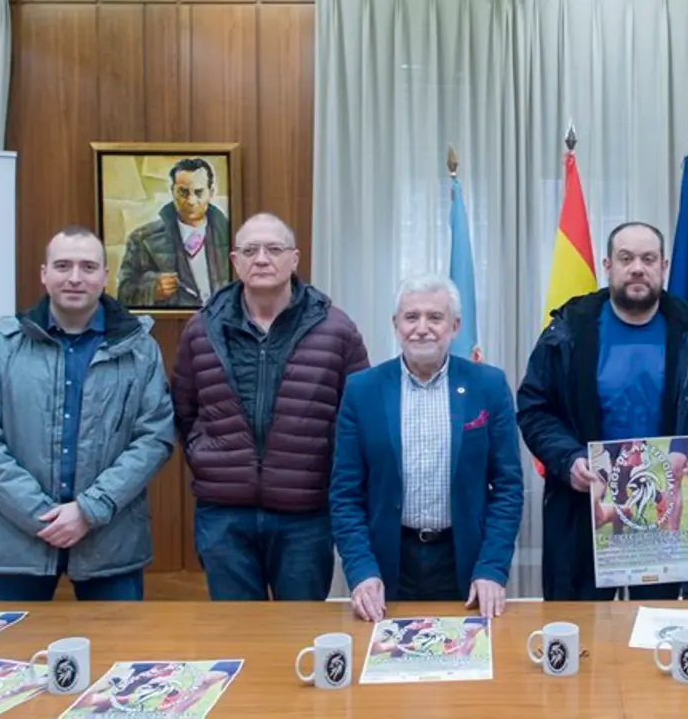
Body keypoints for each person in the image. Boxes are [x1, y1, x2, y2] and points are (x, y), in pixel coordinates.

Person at [517, 222, 688, 601]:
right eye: (626, 258)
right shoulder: (569, 329)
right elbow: (535, 408)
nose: (637, 267)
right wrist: (567, 458)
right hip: (582, 509)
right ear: (608, 265)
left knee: (657, 638)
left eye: (648, 258)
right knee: (583, 636)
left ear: (664, 267)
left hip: (664, 514)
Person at [0, 226, 174, 600]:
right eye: (63, 266)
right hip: (16, 539)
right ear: (44, 274)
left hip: (110, 537)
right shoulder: (3, 347)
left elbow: (153, 438)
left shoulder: (140, 349)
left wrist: (88, 511)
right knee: (10, 656)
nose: (75, 278)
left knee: (116, 652)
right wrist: (41, 515)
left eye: (88, 267)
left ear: (105, 276)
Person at [172, 212, 370, 601]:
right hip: (224, 515)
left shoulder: (336, 329)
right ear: (235, 262)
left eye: (274, 249)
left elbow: (358, 419)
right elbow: (184, 410)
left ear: (294, 259)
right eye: (250, 250)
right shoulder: (202, 328)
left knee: (299, 636)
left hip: (305, 515)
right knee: (236, 638)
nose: (262, 258)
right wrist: (205, 456)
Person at [331, 274, 524, 621]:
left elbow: (508, 488)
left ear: (455, 325)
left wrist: (492, 568)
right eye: (411, 317)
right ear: (395, 325)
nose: (422, 328)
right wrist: (361, 571)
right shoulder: (362, 390)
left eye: (435, 317)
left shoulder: (489, 386)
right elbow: (345, 494)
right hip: (388, 562)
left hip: (464, 561)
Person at [117, 157, 232, 308]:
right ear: (172, 192)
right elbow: (123, 295)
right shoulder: (143, 239)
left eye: (198, 192)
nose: (191, 201)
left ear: (211, 192)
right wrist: (152, 290)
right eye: (183, 192)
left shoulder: (233, 236)